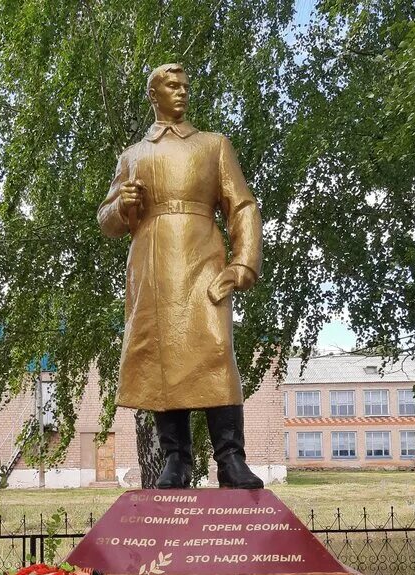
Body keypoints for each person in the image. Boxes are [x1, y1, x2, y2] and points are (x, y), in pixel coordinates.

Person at [98, 63, 264, 490]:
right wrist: (122, 206)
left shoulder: (213, 146)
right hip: (152, 269)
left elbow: (241, 206)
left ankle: (231, 460)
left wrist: (244, 262)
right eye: (172, 86)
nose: (182, 92)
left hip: (202, 263)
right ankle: (177, 459)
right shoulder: (133, 156)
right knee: (161, 361)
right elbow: (108, 222)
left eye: (186, 86)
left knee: (215, 352)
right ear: (154, 95)